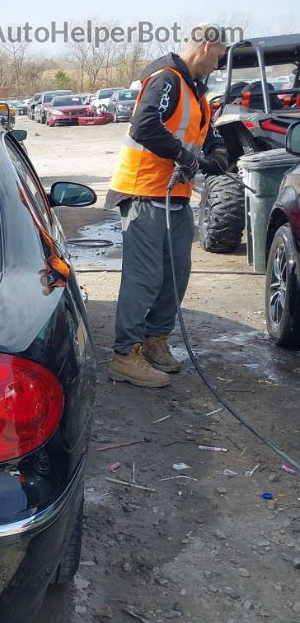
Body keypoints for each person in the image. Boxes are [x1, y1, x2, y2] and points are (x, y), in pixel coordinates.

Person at [105, 24, 230, 388]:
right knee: (144, 278)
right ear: (207, 45)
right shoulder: (167, 79)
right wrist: (183, 158)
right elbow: (144, 126)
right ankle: (124, 355)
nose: (219, 62)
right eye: (220, 54)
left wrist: (217, 150)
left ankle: (154, 341)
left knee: (176, 274)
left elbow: (205, 131)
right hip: (144, 191)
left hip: (175, 195)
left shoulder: (196, 91)